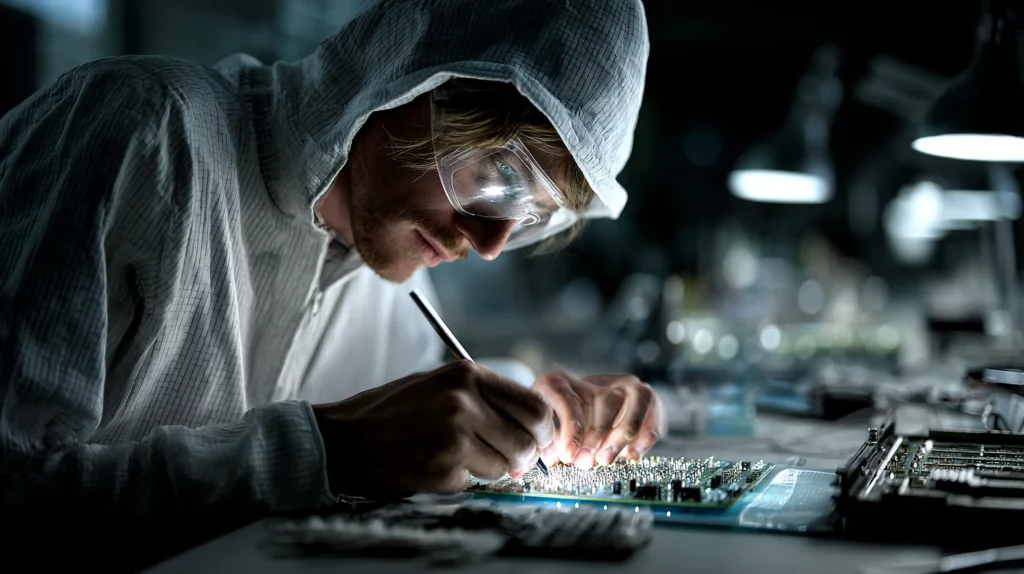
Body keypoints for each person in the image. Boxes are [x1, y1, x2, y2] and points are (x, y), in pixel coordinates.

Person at [0, 0, 656, 564]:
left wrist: (538, 404)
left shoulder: (389, 269)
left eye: (528, 213)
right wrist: (328, 452)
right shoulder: (141, 131)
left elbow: (416, 397)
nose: (487, 245)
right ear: (406, 79)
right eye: (495, 179)